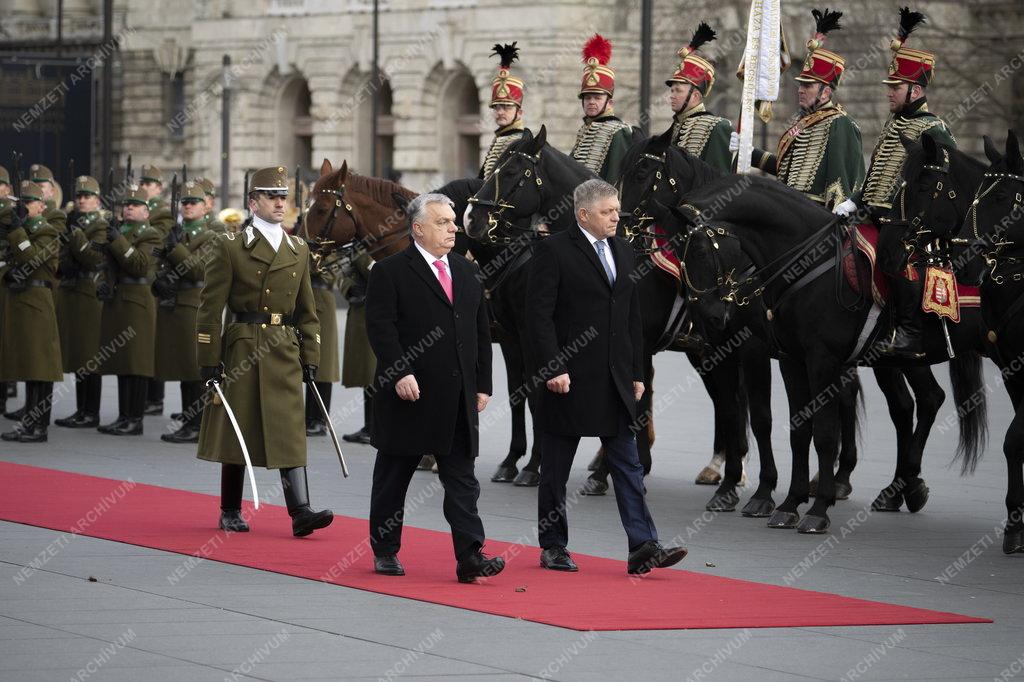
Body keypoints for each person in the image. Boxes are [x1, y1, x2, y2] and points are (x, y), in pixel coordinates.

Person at [526, 178, 687, 575]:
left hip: (615, 380)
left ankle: (643, 545)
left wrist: (636, 371)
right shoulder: (553, 251)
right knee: (557, 470)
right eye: (607, 212)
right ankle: (553, 545)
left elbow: (631, 316)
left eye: (617, 209)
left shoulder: (624, 250)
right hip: (567, 380)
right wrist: (552, 367)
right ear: (583, 214)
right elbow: (538, 316)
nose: (616, 217)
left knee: (629, 466)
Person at [364, 193, 503, 583]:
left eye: (453, 221)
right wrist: (399, 372)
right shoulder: (390, 271)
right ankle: (386, 549)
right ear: (418, 228)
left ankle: (471, 555)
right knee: (394, 476)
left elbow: (480, 331)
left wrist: (483, 384)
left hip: (458, 396)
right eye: (443, 222)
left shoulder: (466, 271)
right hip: (410, 394)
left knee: (462, 480)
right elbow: (381, 328)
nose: (453, 228)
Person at [196, 166, 333, 537]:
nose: (278, 203)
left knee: (289, 427)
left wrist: (311, 355)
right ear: (252, 202)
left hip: (284, 346)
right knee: (238, 426)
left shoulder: (298, 248)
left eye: (282, 197)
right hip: (244, 344)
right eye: (270, 196)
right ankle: (229, 508)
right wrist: (209, 360)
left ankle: (300, 510)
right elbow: (210, 308)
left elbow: (308, 310)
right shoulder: (230, 246)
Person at [832, 7, 954, 359]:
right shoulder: (892, 125)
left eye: (895, 87)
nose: (888, 93)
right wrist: (854, 201)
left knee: (891, 250)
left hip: (910, 225)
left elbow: (942, 188)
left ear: (915, 89)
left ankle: (910, 332)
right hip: (873, 213)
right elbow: (876, 176)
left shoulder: (934, 129)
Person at [731, 8, 864, 209]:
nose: (800, 90)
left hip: (814, 215)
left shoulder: (839, 123)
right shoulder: (803, 123)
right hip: (790, 207)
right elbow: (786, 170)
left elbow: (840, 180)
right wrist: (749, 153)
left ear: (826, 92)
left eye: (808, 86)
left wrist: (835, 217)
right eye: (801, 84)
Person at [0, 181, 63, 442]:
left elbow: (32, 258)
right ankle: (29, 422)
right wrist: (7, 274)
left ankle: (39, 426)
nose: (25, 207)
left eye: (30, 202)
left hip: (37, 302)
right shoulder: (20, 230)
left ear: (41, 205)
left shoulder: (47, 231)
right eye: (22, 202)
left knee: (41, 368)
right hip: (19, 301)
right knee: (28, 365)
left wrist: (16, 231)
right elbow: (7, 260)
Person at [95, 185, 161, 436]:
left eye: (135, 205)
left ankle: (135, 418)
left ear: (146, 212)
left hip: (137, 302)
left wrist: (117, 240)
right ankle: (123, 416)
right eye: (127, 205)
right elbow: (104, 266)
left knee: (137, 364)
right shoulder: (118, 232)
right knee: (123, 363)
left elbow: (140, 265)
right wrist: (101, 284)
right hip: (118, 300)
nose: (129, 208)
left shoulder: (151, 234)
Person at [155, 181, 217, 443]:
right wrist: (160, 280)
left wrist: (174, 248)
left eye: (194, 202)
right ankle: (189, 420)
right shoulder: (177, 232)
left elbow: (198, 269)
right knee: (182, 366)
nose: (188, 205)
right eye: (185, 202)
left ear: (205, 207)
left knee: (194, 367)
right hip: (174, 304)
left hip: (195, 304)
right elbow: (162, 264)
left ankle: (198, 424)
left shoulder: (211, 236)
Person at [54, 176, 109, 428]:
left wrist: (75, 234)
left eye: (87, 197)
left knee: (90, 356)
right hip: (72, 291)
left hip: (89, 292)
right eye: (79, 197)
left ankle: (91, 411)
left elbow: (92, 258)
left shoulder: (100, 225)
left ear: (97, 200)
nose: (82, 200)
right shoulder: (75, 222)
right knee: (78, 354)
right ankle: (81, 409)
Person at [665, 22, 733, 173]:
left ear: (695, 96)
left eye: (678, 91)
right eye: (672, 90)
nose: (672, 95)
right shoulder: (675, 127)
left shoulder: (716, 127)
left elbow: (719, 180)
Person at [569, 34, 634, 184]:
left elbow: (615, 178)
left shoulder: (619, 132)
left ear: (609, 102)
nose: (591, 102)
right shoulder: (584, 130)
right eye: (587, 97)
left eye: (597, 98)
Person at [139, 164, 172, 415]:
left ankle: (155, 397)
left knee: (153, 337)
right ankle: (148, 395)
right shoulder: (141, 205)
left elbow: (158, 240)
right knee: (145, 338)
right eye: (143, 182)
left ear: (159, 188)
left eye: (148, 183)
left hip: (153, 275)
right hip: (144, 274)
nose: (144, 187)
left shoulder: (161, 211)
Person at [480, 43, 531, 181]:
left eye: (507, 107)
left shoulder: (522, 141)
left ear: (519, 112)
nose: (500, 112)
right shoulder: (498, 139)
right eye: (496, 107)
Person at [339, 251, 375, 444]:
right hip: (360, 309)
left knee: (372, 372)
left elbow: (375, 271)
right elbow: (342, 275)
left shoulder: (367, 249)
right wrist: (351, 289)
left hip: (372, 312)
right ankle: (370, 425)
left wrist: (361, 255)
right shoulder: (355, 249)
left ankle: (374, 426)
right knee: (366, 373)